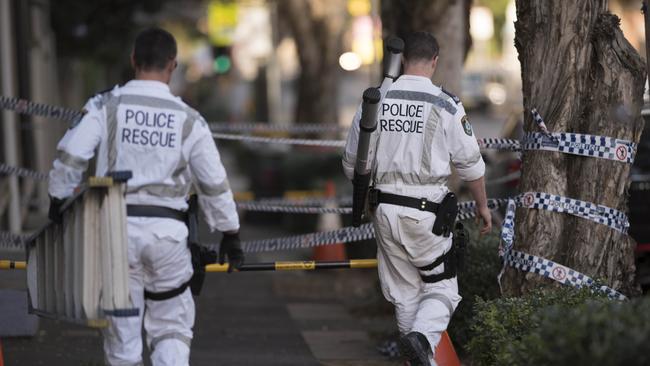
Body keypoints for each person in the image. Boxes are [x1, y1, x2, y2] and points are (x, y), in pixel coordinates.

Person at [47, 27, 244, 366]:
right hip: (168, 238)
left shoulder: (105, 105)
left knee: (122, 343)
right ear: (173, 65)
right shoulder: (189, 120)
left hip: (114, 235)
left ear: (133, 60)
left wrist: (57, 198)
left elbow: (72, 155)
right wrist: (230, 232)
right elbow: (213, 182)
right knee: (171, 328)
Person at [342, 31, 491, 365]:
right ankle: (422, 339)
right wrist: (482, 206)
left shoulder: (376, 99)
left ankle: (419, 350)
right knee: (442, 289)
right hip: (427, 215)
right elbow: (470, 164)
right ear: (435, 61)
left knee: (405, 296)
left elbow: (353, 163)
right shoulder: (445, 103)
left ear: (402, 59)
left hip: (383, 211)